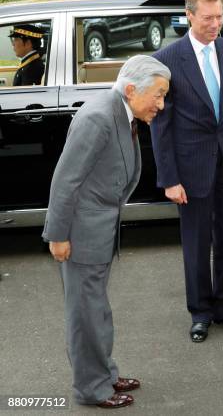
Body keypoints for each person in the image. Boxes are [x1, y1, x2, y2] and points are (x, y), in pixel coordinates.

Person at [42, 55, 170, 409]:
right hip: (81, 234)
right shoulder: (98, 118)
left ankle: (105, 373)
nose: (161, 104)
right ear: (131, 90)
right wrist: (58, 235)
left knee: (97, 310)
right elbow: (65, 180)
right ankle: (91, 388)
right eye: (157, 95)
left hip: (97, 230)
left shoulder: (119, 111)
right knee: (84, 315)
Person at [150, 0, 223, 343]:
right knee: (196, 242)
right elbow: (160, 127)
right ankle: (200, 311)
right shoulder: (167, 59)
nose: (216, 24)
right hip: (190, 168)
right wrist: (169, 178)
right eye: (208, 18)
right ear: (189, 15)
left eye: (220, 16)